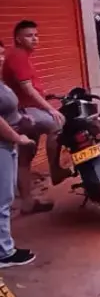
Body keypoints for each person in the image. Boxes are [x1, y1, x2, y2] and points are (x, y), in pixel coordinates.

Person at [1, 21, 70, 214]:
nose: (35, 39)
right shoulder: (17, 56)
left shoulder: (22, 56)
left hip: (24, 112)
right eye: (29, 35)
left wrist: (46, 95)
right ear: (18, 39)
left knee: (25, 157)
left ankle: (27, 203)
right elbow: (27, 89)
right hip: (25, 113)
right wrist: (51, 109)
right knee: (57, 123)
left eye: (36, 35)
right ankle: (55, 169)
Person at [0, 43, 36, 267]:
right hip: (2, 145)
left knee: (6, 197)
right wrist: (17, 137)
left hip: (7, 144)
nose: (0, 58)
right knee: (2, 200)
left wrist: (22, 118)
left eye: (1, 53)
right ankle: (4, 253)